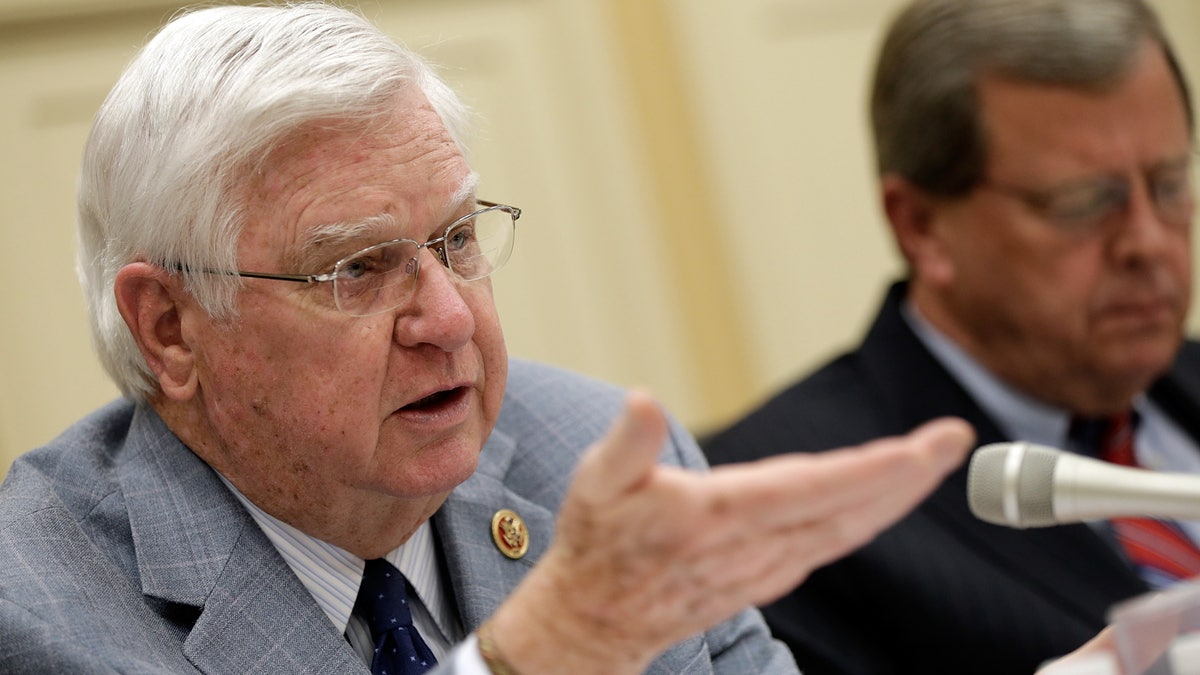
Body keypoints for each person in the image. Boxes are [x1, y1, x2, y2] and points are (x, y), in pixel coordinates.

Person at [0, 3, 981, 673]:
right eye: (356, 269)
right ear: (171, 330)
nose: (450, 317)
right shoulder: (38, 616)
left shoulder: (589, 455)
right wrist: (534, 654)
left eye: (457, 240)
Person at [703, 0, 1200, 673]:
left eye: (1170, 185)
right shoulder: (783, 509)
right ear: (921, 225)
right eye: (1085, 201)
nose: (1147, 241)